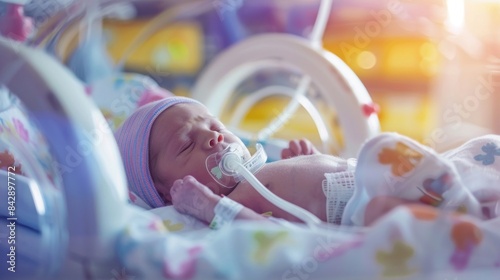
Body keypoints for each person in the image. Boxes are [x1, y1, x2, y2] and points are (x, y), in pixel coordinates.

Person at [115, 96, 500, 228]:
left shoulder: (260, 172)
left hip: (371, 175)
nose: (212, 137)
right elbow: (259, 232)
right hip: (360, 207)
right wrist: (209, 206)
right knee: (384, 210)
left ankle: (467, 188)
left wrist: (309, 162)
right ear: (166, 193)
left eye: (213, 125)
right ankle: (461, 215)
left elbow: (314, 181)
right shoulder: (233, 204)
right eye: (186, 145)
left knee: (478, 147)